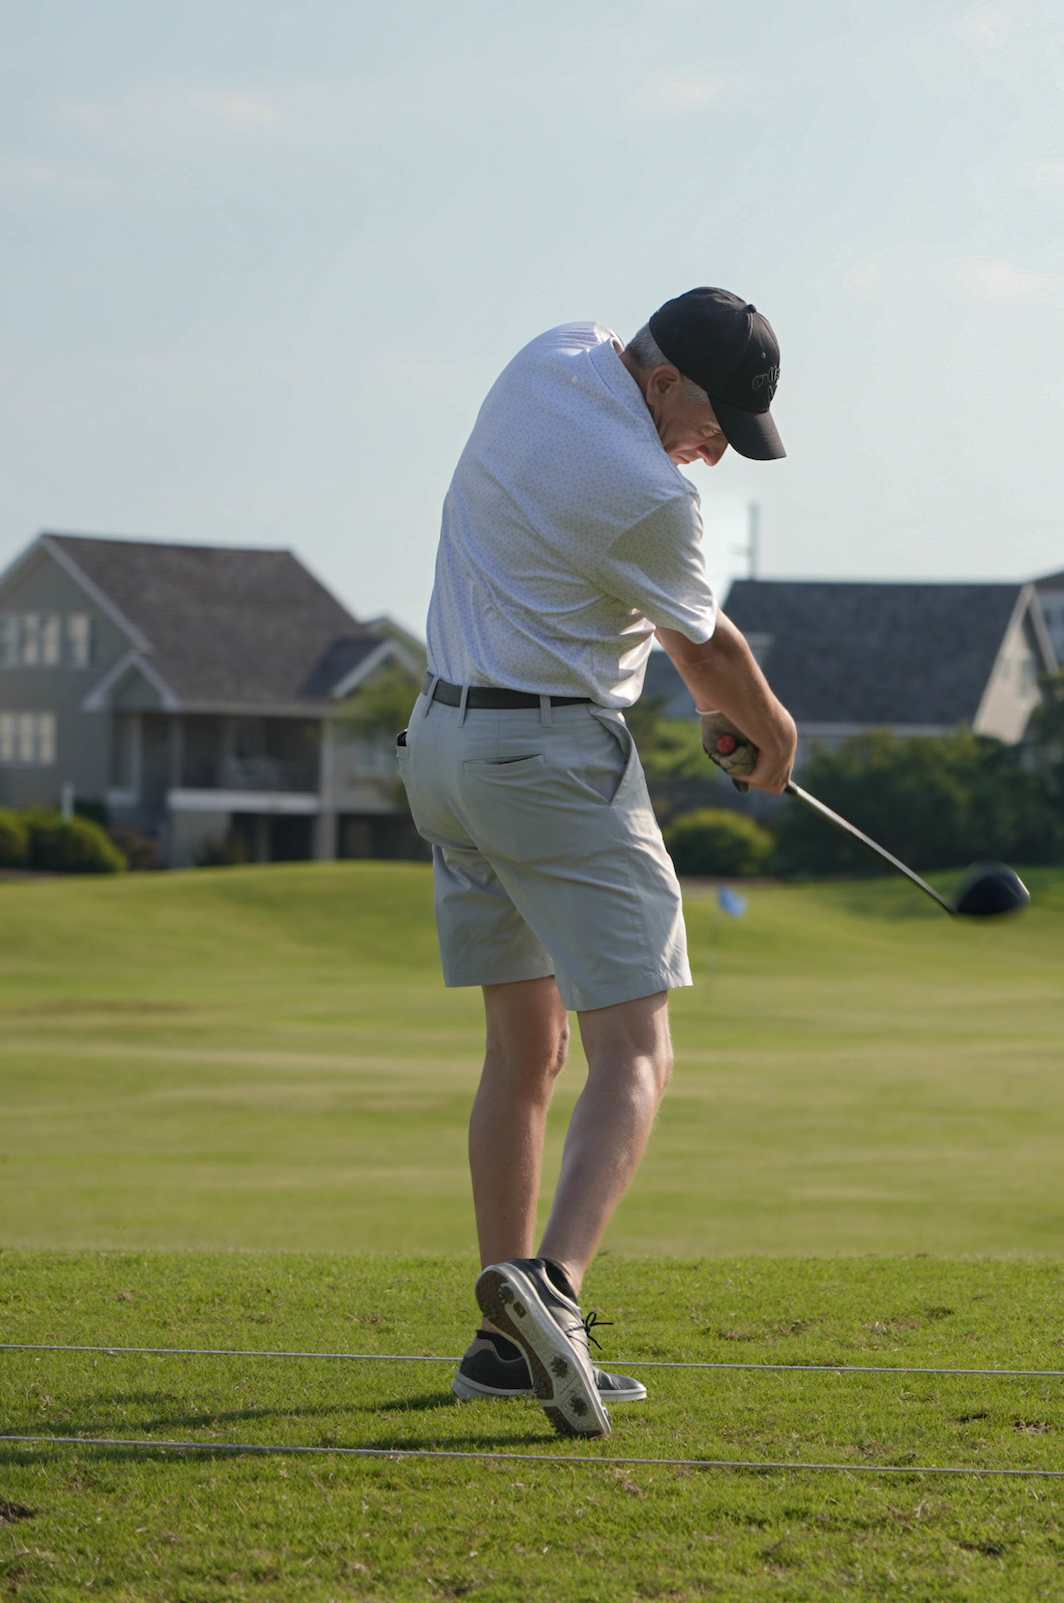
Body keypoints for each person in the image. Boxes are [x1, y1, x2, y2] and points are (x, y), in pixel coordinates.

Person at [399, 287, 799, 1438]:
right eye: (712, 426)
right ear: (663, 383)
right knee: (635, 1046)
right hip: (548, 759)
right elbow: (707, 648)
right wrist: (773, 740)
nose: (712, 454)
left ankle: (500, 1347)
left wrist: (715, 708)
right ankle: (557, 1287)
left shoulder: (552, 355)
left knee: (522, 1050)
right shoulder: (653, 495)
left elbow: (641, 613)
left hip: (444, 747)